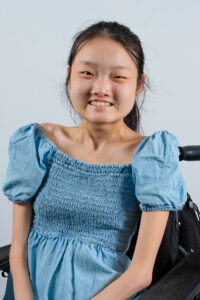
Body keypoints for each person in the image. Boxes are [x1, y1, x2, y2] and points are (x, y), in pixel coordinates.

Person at [2, 20, 187, 300]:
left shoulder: (152, 157)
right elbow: (18, 248)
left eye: (118, 77)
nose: (100, 88)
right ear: (69, 77)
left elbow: (141, 274)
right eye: (87, 73)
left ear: (138, 86)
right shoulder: (36, 143)